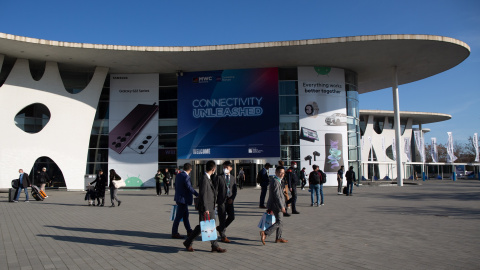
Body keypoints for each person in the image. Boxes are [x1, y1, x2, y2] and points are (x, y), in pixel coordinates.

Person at [183, 160, 226, 253]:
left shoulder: (208, 178)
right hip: (206, 208)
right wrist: (206, 208)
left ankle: (214, 246)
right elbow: (202, 195)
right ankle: (188, 242)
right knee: (202, 227)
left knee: (209, 226)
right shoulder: (204, 178)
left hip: (211, 207)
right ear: (213, 169)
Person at [259, 165, 288, 245]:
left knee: (280, 222)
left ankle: (278, 237)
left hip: (277, 204)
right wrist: (282, 206)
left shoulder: (279, 180)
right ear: (276, 172)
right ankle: (265, 233)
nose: (282, 174)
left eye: (283, 173)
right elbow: (277, 196)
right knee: (279, 221)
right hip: (276, 205)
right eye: (280, 172)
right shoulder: (275, 181)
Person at [172, 163, 199, 239]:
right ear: (190, 169)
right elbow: (189, 187)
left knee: (185, 216)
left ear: (183, 168)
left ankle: (189, 231)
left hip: (179, 198)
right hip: (183, 199)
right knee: (178, 217)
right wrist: (197, 194)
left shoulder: (178, 175)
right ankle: (174, 232)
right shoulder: (186, 177)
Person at [216, 161, 237, 243]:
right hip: (221, 201)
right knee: (222, 218)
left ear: (231, 168)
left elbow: (234, 190)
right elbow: (215, 190)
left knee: (232, 217)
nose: (225, 169)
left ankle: (220, 228)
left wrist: (232, 198)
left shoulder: (232, 178)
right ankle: (223, 236)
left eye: (227, 167)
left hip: (229, 201)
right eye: (224, 167)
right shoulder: (219, 177)